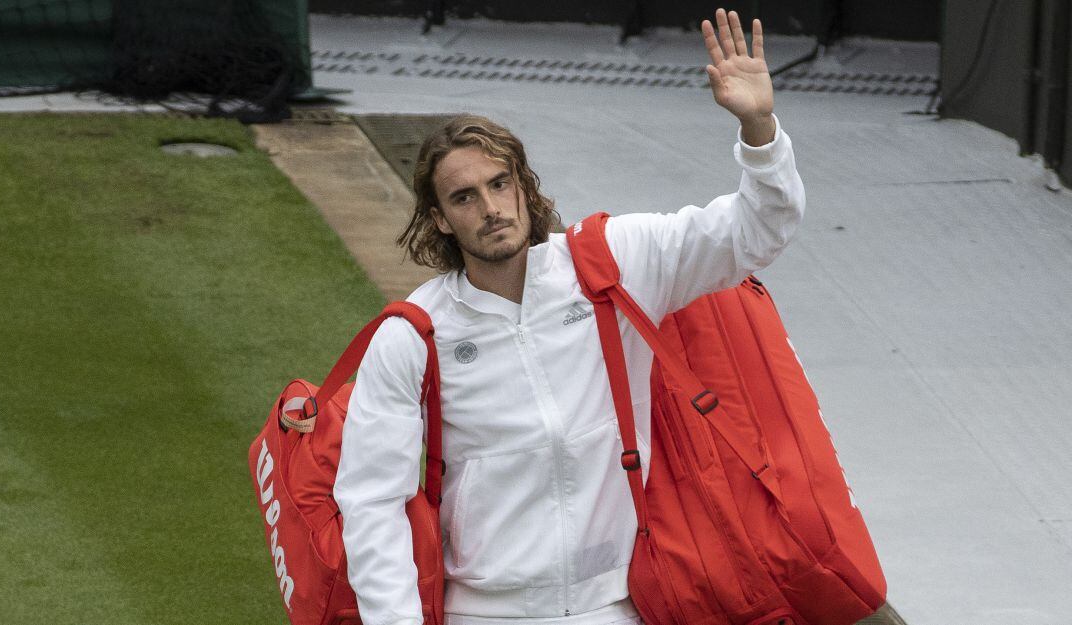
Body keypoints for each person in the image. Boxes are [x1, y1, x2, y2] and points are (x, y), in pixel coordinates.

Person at [333, 9, 805, 625]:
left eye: (501, 184)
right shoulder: (412, 334)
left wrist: (758, 126)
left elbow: (757, 231)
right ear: (441, 218)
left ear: (524, 188)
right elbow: (371, 499)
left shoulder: (614, 262)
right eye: (464, 196)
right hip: (483, 611)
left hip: (619, 602)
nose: (492, 208)